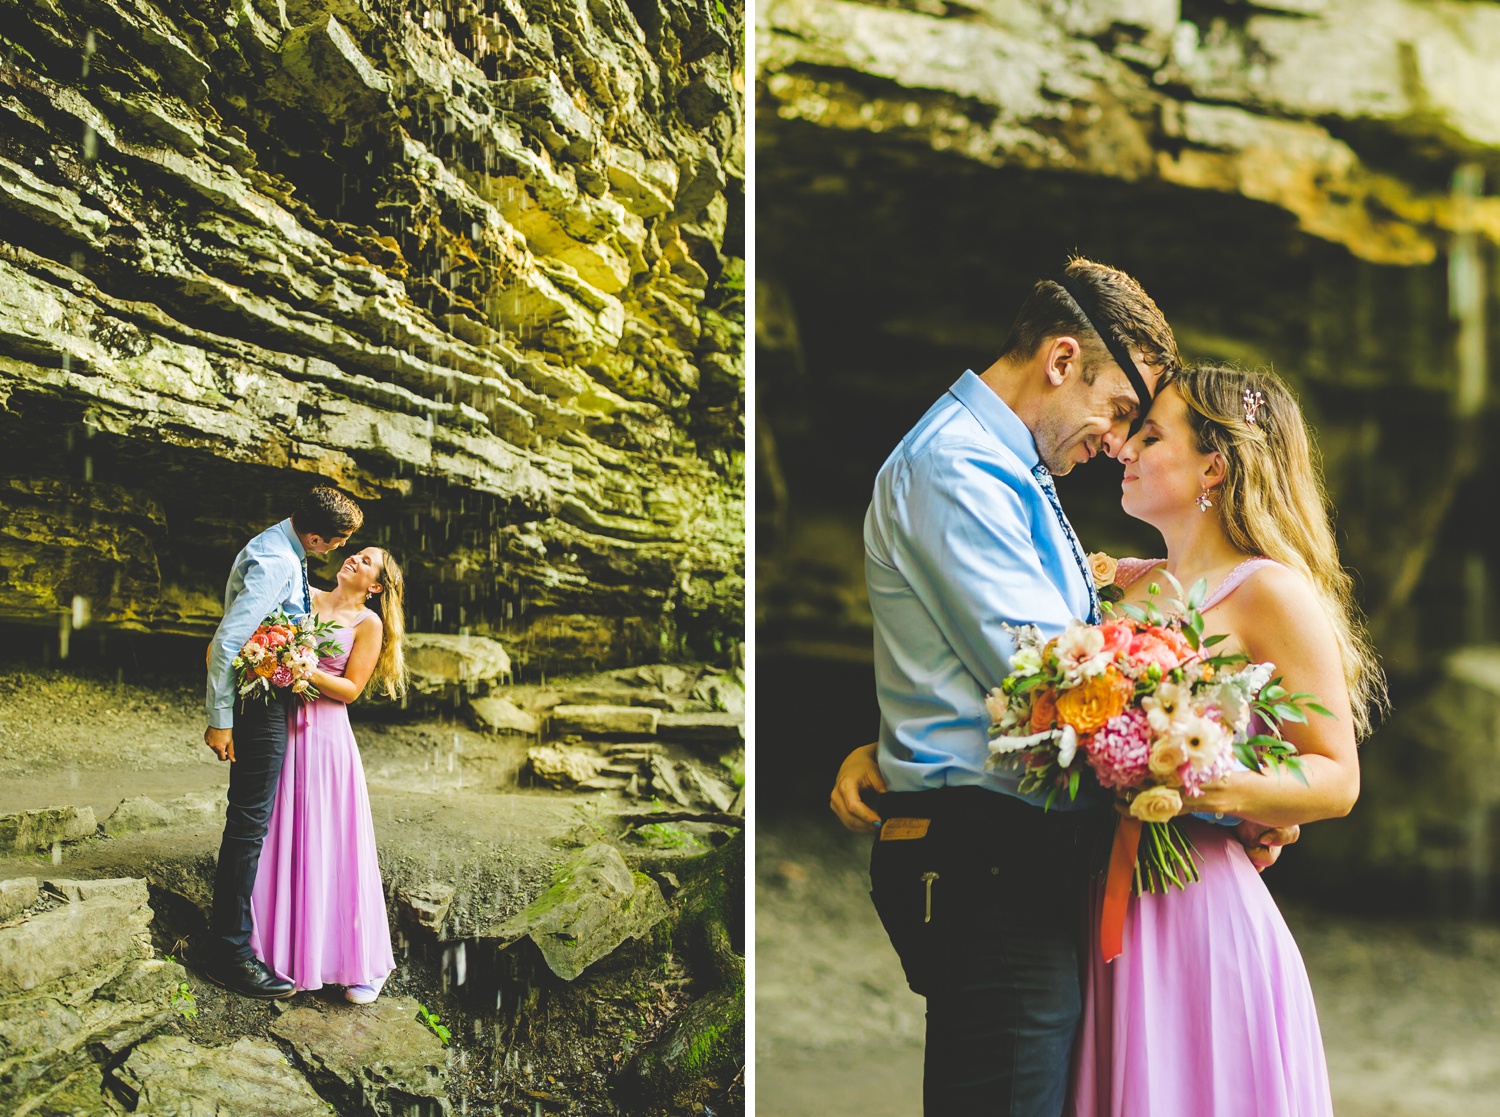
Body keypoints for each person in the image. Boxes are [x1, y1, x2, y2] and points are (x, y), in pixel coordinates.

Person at [828, 258, 1297, 1116]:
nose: (1119, 442)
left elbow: (996, 666)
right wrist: (1229, 800)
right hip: (991, 858)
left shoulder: (1010, 471)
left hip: (1022, 858)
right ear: (1059, 359)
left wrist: (889, 744)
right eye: (1121, 411)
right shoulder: (957, 472)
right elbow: (1051, 684)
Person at [1069, 365, 1385, 1116]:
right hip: (1084, 898)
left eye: (1150, 434)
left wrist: (1194, 779)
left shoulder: (1268, 590)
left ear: (1214, 464)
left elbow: (1336, 776)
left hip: (1196, 914)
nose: (1123, 447)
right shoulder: (1114, 585)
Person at [202, 487, 363, 999]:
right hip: (259, 705)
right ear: (316, 535)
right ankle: (230, 954)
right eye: (339, 541)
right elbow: (229, 641)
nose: (340, 550)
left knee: (254, 822)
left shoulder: (285, 547)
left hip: (271, 697)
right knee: (249, 825)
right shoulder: (275, 561)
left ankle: (247, 938)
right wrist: (220, 719)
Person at [250, 546, 406, 1003]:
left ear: (375, 587)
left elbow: (352, 689)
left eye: (366, 562)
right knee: (280, 835)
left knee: (331, 841)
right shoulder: (305, 596)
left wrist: (301, 666)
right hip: (285, 729)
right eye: (354, 554)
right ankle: (281, 954)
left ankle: (355, 959)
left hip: (327, 738)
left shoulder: (368, 623)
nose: (354, 560)